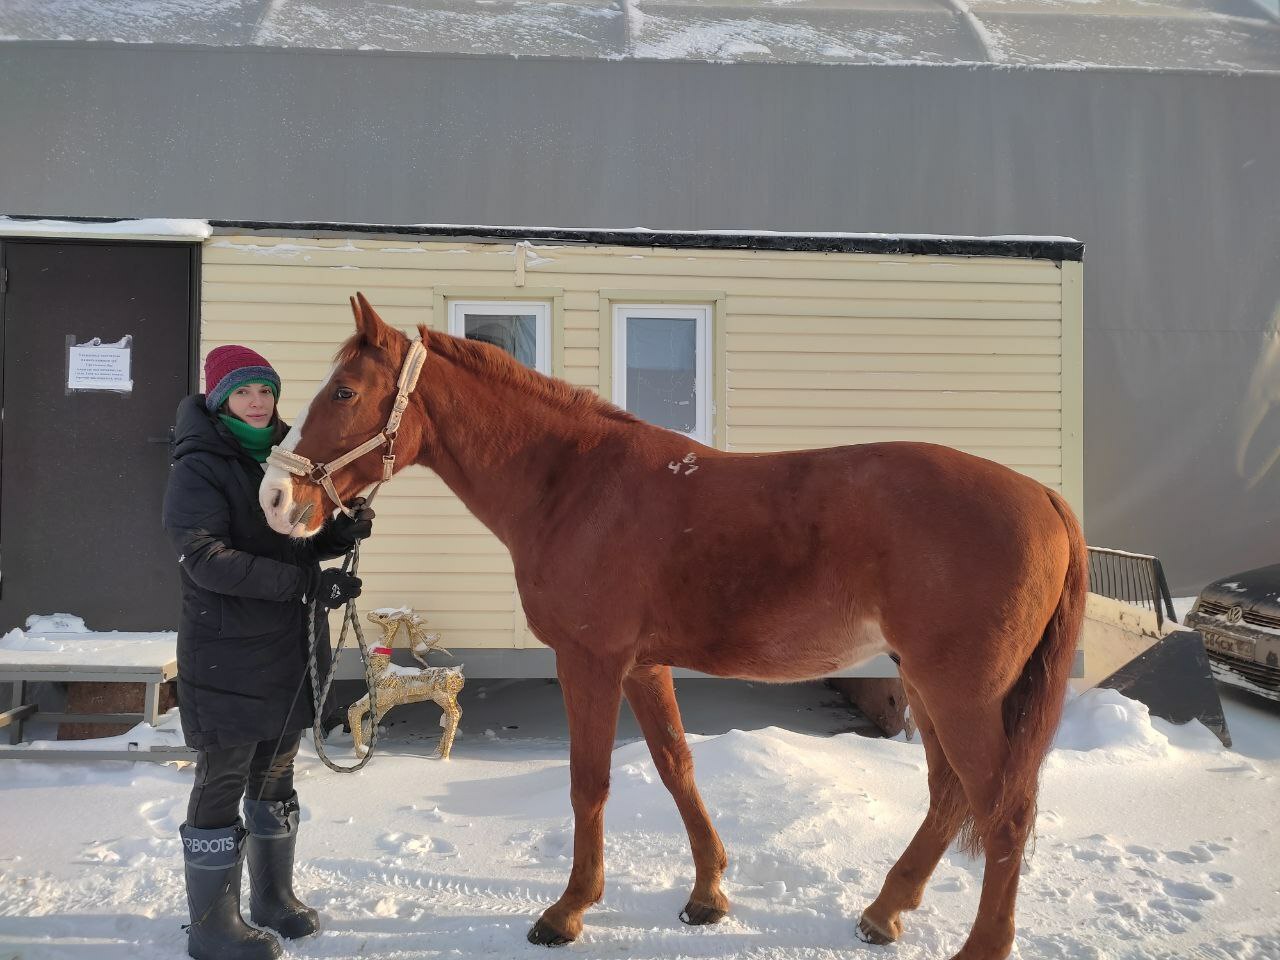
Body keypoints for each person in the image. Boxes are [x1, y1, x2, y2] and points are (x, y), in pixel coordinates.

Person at [162, 344, 371, 960]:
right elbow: (205, 559)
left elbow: (298, 535)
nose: (257, 402)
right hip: (226, 648)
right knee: (223, 778)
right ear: (219, 399)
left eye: (265, 390)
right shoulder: (198, 465)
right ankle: (212, 928)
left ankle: (270, 899)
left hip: (288, 646)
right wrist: (308, 585)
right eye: (243, 392)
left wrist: (339, 531)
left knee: (276, 771)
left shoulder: (289, 457)